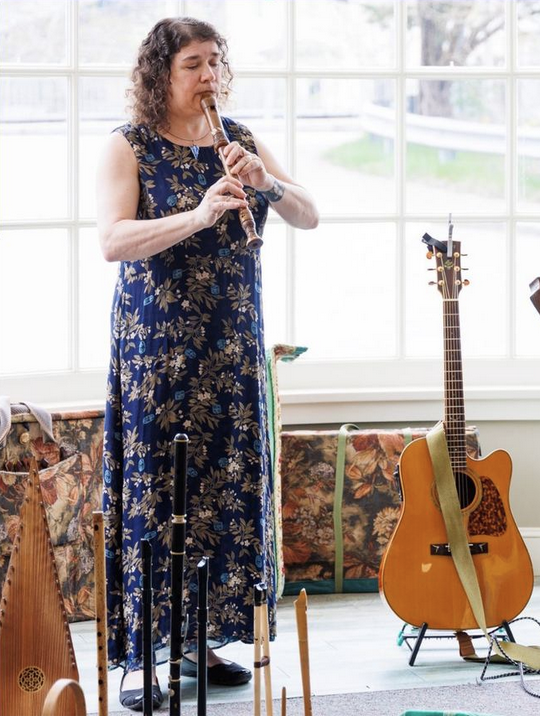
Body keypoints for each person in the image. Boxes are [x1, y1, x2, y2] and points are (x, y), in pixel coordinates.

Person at [97, 17, 318, 712]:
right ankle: (143, 656)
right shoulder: (129, 144)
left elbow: (309, 214)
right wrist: (197, 215)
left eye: (215, 62)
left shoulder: (239, 139)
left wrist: (266, 185)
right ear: (161, 73)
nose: (209, 76)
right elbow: (113, 241)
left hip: (232, 346)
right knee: (158, 494)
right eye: (193, 64)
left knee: (223, 492)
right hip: (157, 349)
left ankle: (203, 641)